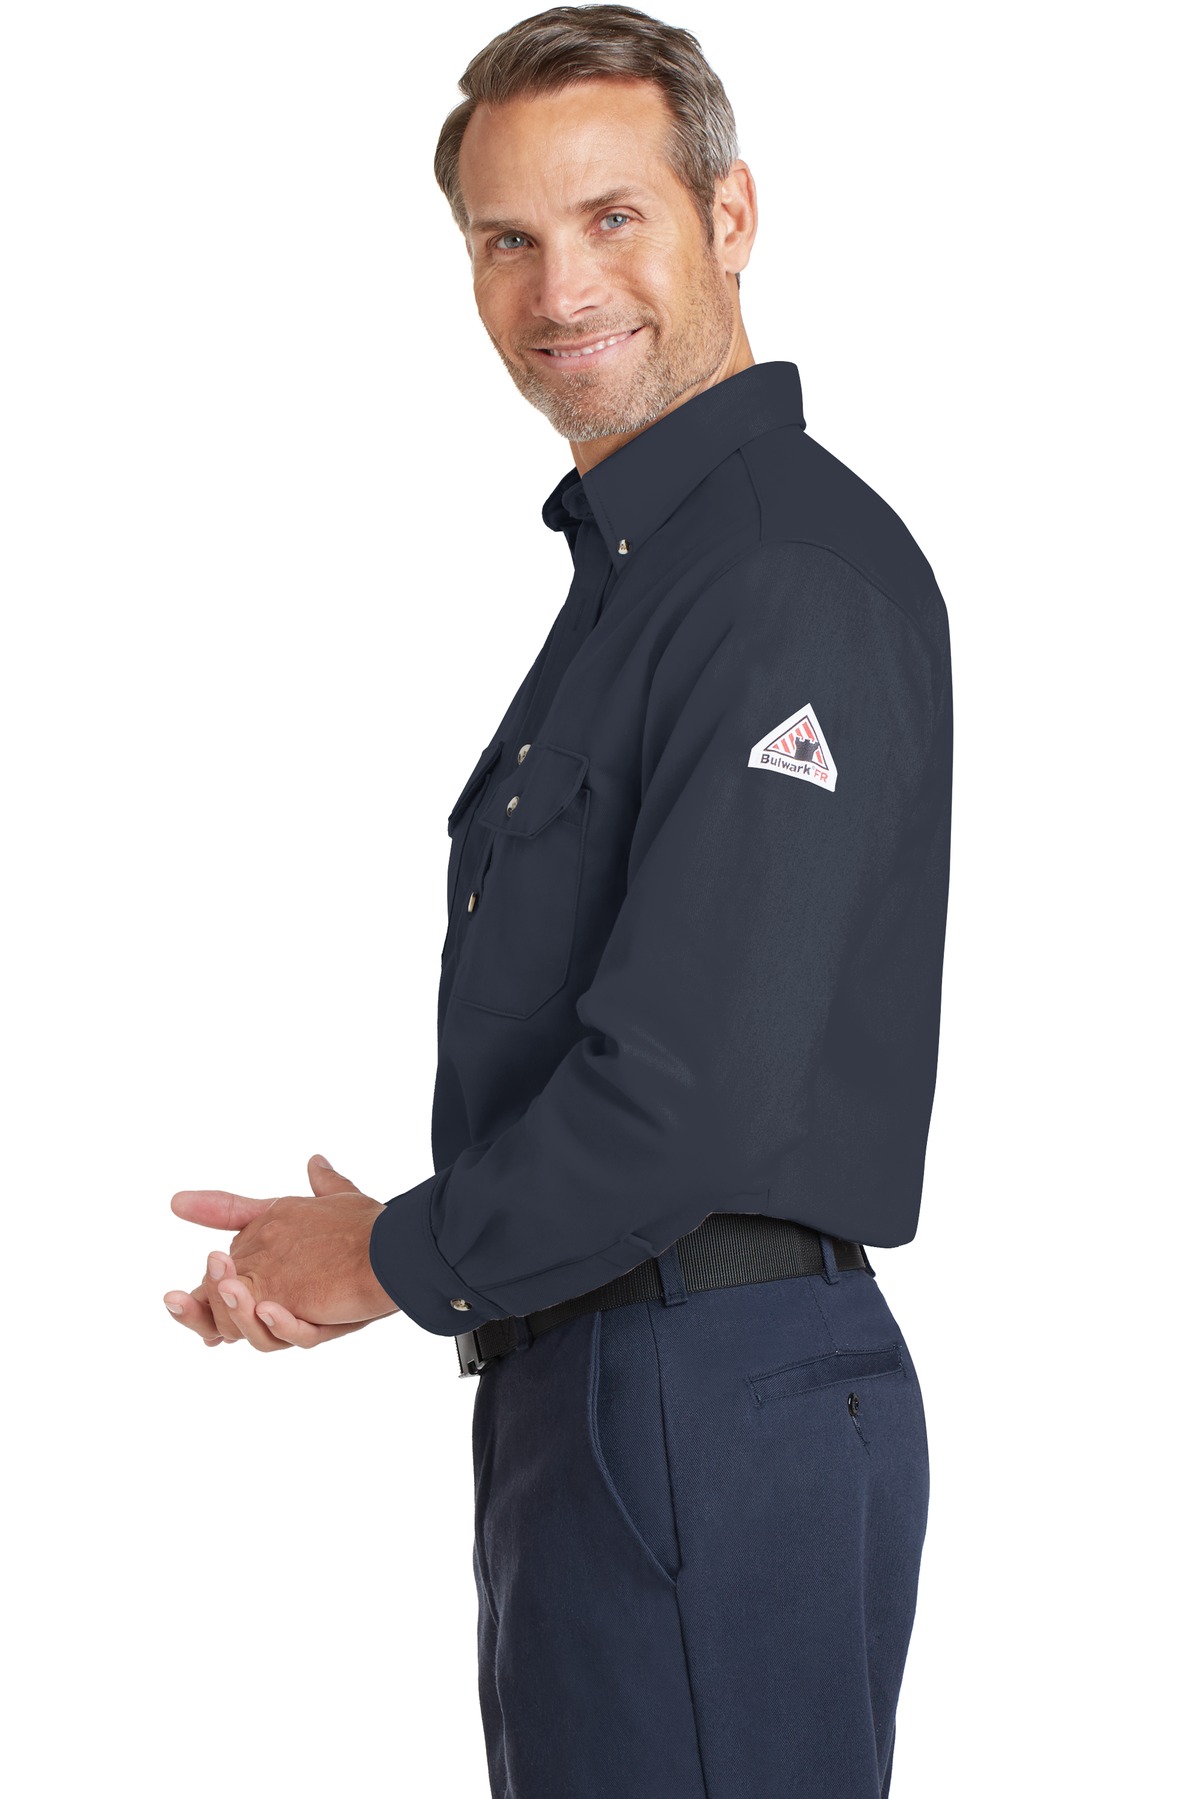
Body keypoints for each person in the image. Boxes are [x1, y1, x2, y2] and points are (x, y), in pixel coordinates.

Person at [163, 8, 953, 1795]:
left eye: (613, 218)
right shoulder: (646, 579)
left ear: (730, 215)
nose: (558, 288)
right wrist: (417, 1246)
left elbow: (694, 1091)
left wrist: (391, 1257)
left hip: (699, 1396)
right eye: (506, 239)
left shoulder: (776, 573)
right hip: (601, 1389)